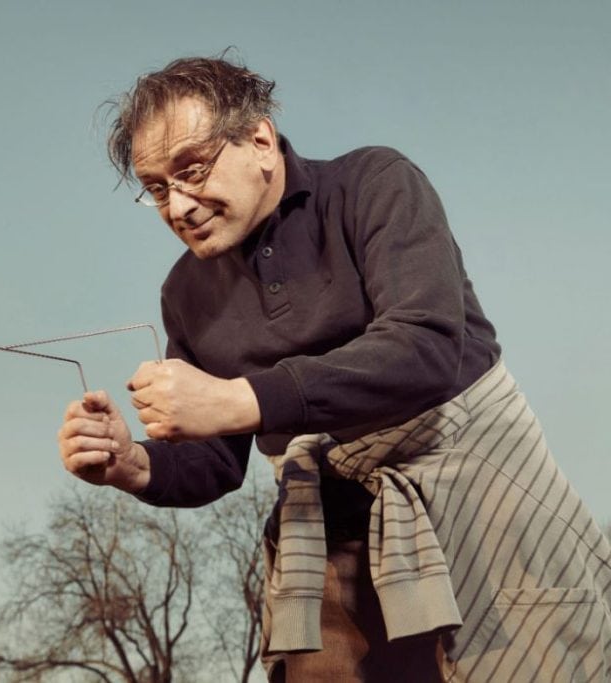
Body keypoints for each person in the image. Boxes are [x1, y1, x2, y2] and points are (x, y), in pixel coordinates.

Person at [57, 55, 611, 681]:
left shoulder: (376, 185)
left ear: (260, 141)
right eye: (156, 188)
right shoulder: (183, 292)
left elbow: (423, 347)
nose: (178, 205)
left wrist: (244, 400)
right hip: (324, 543)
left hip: (484, 510)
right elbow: (218, 461)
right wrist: (134, 464)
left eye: (191, 169)